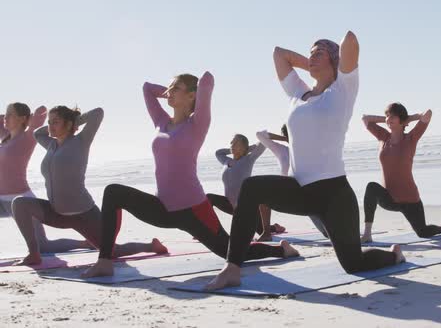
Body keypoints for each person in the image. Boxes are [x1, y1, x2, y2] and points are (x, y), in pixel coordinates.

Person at [206, 31, 405, 291]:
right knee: (252, 188)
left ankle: (394, 255)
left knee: (353, 264)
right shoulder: (298, 93)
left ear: (334, 61)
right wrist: (313, 63)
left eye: (319, 52)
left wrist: (333, 64)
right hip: (300, 190)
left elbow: (350, 41)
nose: (311, 56)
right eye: (310, 52)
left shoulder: (342, 90)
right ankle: (232, 267)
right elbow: (279, 53)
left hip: (334, 194)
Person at [82, 71, 298, 278]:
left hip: (193, 210)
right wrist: (170, 90)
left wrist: (193, 93)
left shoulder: (197, 124)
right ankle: (105, 261)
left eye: (176, 88)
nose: (170, 91)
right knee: (113, 192)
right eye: (169, 88)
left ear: (192, 95)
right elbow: (147, 89)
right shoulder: (161, 122)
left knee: (228, 252)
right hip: (162, 208)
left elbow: (206, 80)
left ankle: (281, 250)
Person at [12, 105, 163, 265]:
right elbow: (37, 133)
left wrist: (75, 120)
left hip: (83, 214)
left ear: (69, 124)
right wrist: (58, 122)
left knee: (112, 252)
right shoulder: (51, 144)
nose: (50, 126)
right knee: (20, 204)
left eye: (55, 122)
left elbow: (98, 113)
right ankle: (34, 254)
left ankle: (151, 246)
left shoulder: (81, 141)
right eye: (49, 122)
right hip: (56, 213)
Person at [1, 103, 91, 253]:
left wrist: (35, 119)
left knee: (43, 246)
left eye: (10, 114)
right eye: (5, 114)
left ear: (23, 119)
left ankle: (86, 243)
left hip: (20, 200)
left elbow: (41, 113)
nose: (6, 117)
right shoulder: (5, 138)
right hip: (1, 201)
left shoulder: (28, 136)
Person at [361, 103, 441, 243]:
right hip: (389, 199)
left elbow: (428, 113)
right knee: (371, 187)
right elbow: (365, 118)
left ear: (402, 118)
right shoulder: (383, 137)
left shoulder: (411, 138)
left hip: (410, 200)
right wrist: (389, 119)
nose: (388, 119)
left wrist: (408, 118)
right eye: (387, 115)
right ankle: (367, 234)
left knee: (422, 232)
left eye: (392, 115)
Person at [206, 134, 285, 241]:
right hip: (230, 205)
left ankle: (274, 227)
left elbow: (262, 142)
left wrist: (248, 149)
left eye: (235, 143)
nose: (231, 145)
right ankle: (211, 229)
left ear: (244, 146)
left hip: (246, 207)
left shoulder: (249, 159)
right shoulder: (226, 161)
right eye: (231, 142)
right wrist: (233, 149)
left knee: (260, 229)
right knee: (208, 198)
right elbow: (218, 152)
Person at [256, 125, 328, 238]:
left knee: (327, 233)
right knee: (262, 196)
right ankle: (266, 233)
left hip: (308, 194)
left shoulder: (310, 150)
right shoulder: (282, 150)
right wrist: (286, 139)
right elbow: (260, 134)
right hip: (288, 194)